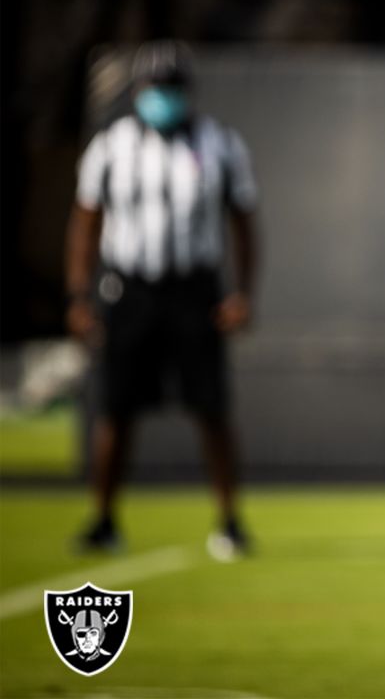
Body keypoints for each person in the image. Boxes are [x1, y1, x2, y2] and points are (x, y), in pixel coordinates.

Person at [66, 40, 258, 562]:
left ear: (187, 92)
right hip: (129, 288)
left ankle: (230, 520)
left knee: (211, 408)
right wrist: (79, 294)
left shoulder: (220, 144)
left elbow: (243, 222)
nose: (164, 98)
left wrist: (242, 293)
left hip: (195, 290)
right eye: (156, 88)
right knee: (116, 408)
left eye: (172, 88)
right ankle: (104, 519)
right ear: (138, 92)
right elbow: (85, 222)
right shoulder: (111, 146)